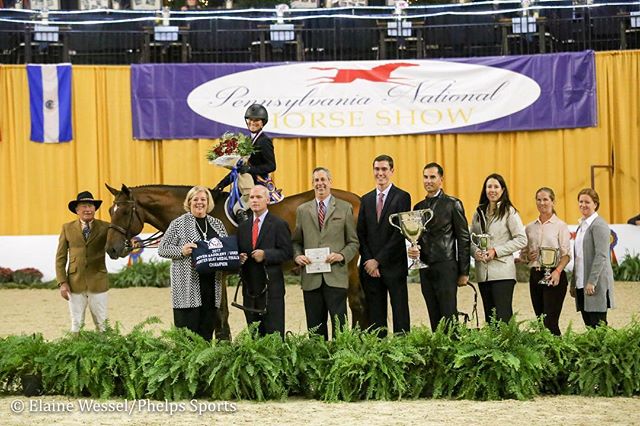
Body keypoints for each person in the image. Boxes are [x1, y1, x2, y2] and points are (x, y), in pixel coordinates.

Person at [292, 167, 359, 340]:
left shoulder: (345, 208)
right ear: (312, 183)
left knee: (340, 329)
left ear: (330, 182)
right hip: (311, 279)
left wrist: (341, 256)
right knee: (315, 331)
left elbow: (353, 242)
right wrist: (297, 255)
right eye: (316, 180)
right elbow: (296, 242)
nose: (320, 184)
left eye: (323, 180)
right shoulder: (302, 210)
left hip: (335, 276)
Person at [158, 186, 228, 341]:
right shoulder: (178, 224)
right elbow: (162, 249)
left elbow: (225, 249)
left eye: (203, 199)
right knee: (187, 337)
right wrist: (181, 251)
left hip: (211, 286)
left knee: (206, 335)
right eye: (195, 199)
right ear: (189, 202)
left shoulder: (217, 224)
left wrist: (235, 257)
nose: (199, 202)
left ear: (208, 202)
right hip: (187, 288)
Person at [407, 163, 470, 331]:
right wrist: (413, 250)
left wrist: (464, 271)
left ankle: (452, 354)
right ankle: (438, 352)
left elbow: (463, 238)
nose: (428, 181)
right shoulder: (418, 207)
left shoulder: (453, 204)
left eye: (432, 177)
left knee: (449, 315)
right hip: (425, 267)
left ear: (441, 180)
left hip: (446, 266)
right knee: (433, 314)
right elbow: (416, 238)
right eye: (426, 177)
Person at [357, 155, 411, 336]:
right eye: (377, 169)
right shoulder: (365, 199)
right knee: (376, 317)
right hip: (371, 270)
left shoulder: (402, 197)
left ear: (392, 171)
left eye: (384, 169)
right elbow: (361, 234)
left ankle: (402, 353)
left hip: (394, 266)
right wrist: (369, 261)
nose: (380, 173)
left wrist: (378, 260)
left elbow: (399, 234)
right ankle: (380, 355)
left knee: (400, 314)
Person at [470, 173, 527, 324]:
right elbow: (471, 240)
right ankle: (492, 348)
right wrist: (475, 252)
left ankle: (507, 347)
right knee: (490, 318)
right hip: (483, 273)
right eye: (489, 186)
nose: (492, 190)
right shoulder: (478, 212)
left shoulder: (509, 212)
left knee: (503, 317)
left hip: (503, 274)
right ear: (485, 189)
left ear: (502, 190)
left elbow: (522, 239)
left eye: (496, 187)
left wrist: (496, 251)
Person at [237, 185, 293, 337]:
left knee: (274, 335)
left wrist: (266, 254)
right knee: (254, 336)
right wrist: (239, 259)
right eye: (252, 197)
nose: (254, 200)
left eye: (259, 197)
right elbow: (239, 253)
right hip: (250, 290)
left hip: (272, 289)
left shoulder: (278, 224)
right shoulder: (242, 227)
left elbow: (288, 253)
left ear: (268, 200)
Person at [518, 187, 571, 335]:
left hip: (554, 274)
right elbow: (523, 256)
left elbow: (566, 255)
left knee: (550, 322)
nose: (542, 203)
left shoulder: (561, 226)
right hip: (535, 275)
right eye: (539, 200)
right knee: (540, 321)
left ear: (553, 201)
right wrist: (529, 256)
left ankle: (558, 355)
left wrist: (557, 272)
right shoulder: (529, 228)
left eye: (546, 199)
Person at [55, 191, 110, 332]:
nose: (88, 209)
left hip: (98, 280)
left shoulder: (106, 227)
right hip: (74, 282)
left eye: (91, 206)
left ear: (95, 209)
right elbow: (60, 257)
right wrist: (62, 282)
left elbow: (116, 248)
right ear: (77, 210)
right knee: (76, 323)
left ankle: (104, 350)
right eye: (84, 206)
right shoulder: (66, 228)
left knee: (102, 323)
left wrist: (129, 245)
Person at [215, 103, 276, 224]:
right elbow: (238, 168)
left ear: (263, 122)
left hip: (257, 184)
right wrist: (221, 184)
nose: (253, 122)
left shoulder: (264, 141)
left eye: (257, 120)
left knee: (239, 209)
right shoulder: (247, 141)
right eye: (250, 119)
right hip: (243, 182)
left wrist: (249, 169)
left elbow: (272, 166)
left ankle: (247, 235)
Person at [570, 188, 615, 327]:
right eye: (581, 201)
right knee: (588, 324)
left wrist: (592, 281)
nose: (583, 205)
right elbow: (578, 257)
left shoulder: (599, 225)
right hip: (581, 282)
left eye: (587, 202)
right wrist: (574, 283)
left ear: (595, 204)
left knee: (598, 325)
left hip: (594, 284)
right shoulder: (582, 226)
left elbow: (601, 255)